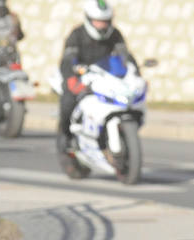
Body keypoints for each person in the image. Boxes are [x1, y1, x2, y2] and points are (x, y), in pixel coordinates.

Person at [57, 0, 136, 155]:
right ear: (88, 19)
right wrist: (72, 79)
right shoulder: (77, 34)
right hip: (82, 78)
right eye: (98, 21)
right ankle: (66, 137)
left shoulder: (115, 35)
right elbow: (67, 59)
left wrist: (135, 74)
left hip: (106, 78)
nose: (102, 25)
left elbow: (126, 56)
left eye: (105, 21)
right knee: (67, 102)